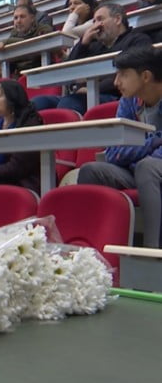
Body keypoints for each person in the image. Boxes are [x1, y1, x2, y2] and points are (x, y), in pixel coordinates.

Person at [78, 46, 162, 247]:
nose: (116, 82)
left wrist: (138, 152)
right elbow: (114, 152)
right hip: (136, 169)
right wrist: (153, 141)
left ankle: (153, 255)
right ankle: (93, 250)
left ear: (146, 76)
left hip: (148, 169)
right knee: (90, 170)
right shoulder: (128, 102)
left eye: (123, 75)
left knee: (147, 167)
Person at [31, 3, 152, 114]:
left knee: (68, 103)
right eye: (94, 21)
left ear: (118, 19)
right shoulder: (93, 46)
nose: (96, 25)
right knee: (37, 103)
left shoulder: (137, 39)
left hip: (115, 95)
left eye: (100, 19)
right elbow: (68, 68)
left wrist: (91, 88)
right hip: (83, 94)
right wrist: (82, 44)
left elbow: (132, 76)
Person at [0, 3, 54, 74]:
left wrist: (6, 41)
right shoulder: (14, 33)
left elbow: (31, 44)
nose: (18, 21)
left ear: (32, 18)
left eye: (22, 17)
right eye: (15, 18)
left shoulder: (43, 29)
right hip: (20, 73)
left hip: (40, 72)